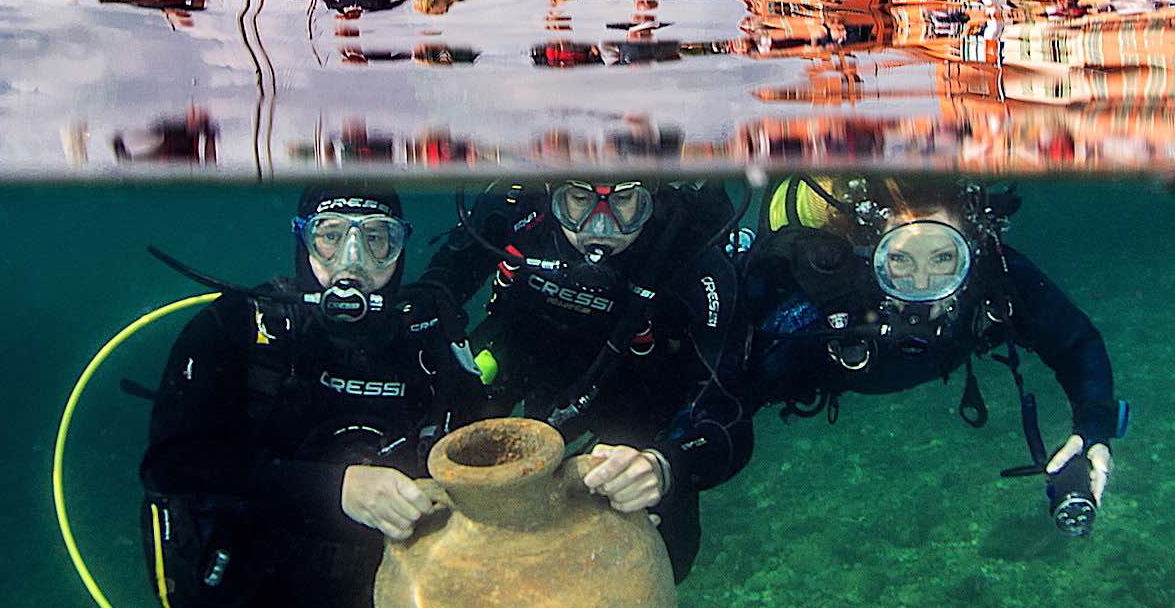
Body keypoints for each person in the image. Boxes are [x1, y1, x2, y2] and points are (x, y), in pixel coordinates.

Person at [140, 187, 485, 608]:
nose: (352, 261)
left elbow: (479, 445)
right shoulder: (239, 325)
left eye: (378, 240)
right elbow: (175, 462)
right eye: (331, 237)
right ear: (302, 241)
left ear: (404, 246)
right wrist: (334, 488)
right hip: (242, 600)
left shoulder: (426, 339)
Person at [740, 178, 1121, 532]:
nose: (922, 287)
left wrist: (1094, 428)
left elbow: (1075, 342)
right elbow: (735, 375)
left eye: (942, 260)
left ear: (969, 251)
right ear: (872, 254)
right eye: (901, 261)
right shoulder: (825, 293)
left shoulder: (991, 274)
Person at [420, 180, 753, 581]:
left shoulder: (691, 253)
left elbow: (728, 414)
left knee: (669, 555)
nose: (600, 225)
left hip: (638, 398)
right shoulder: (518, 213)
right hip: (518, 364)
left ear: (653, 200)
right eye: (578, 199)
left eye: (625, 201)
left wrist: (664, 466)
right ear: (551, 195)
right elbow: (433, 293)